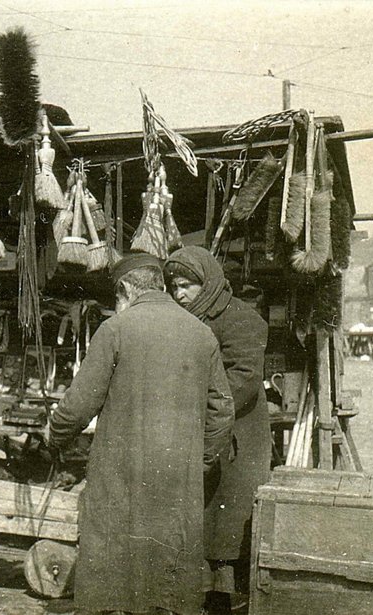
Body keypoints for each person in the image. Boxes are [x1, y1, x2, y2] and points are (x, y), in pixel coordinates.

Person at [48, 253, 235, 615]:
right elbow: (222, 410)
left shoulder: (115, 329)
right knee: (168, 576)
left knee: (115, 570)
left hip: (121, 476)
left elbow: (79, 405)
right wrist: (199, 463)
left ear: (125, 290)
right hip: (177, 477)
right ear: (160, 285)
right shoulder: (202, 333)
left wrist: (55, 434)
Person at [164, 246, 270, 614]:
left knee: (228, 522)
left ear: (206, 282)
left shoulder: (242, 318)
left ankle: (230, 598)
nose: (179, 294)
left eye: (187, 286)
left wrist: (204, 410)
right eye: (174, 287)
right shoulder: (182, 320)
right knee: (200, 519)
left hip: (235, 435)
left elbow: (245, 377)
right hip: (198, 429)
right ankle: (202, 594)